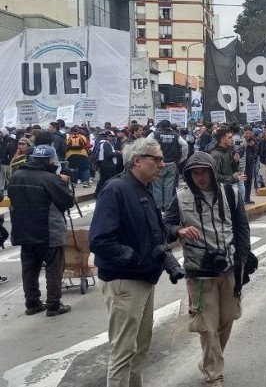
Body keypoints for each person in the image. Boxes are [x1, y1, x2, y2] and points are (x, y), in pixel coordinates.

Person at [89, 137, 184, 386]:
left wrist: (173, 233)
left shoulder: (142, 188)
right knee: (123, 352)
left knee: (140, 347)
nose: (162, 164)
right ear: (137, 160)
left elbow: (152, 229)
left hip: (143, 278)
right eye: (157, 159)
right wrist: (136, 258)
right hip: (125, 281)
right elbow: (100, 240)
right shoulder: (116, 189)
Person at [163, 152, 251, 387]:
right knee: (207, 325)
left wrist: (244, 258)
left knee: (227, 320)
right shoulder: (181, 198)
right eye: (195, 172)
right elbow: (165, 226)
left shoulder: (230, 194)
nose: (200, 177)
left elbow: (242, 226)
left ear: (213, 171)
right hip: (198, 271)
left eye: (204, 171)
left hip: (229, 267)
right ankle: (215, 374)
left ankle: (210, 361)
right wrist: (178, 231)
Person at [8, 145, 75, 316]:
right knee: (54, 266)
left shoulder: (17, 175)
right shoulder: (50, 178)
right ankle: (53, 304)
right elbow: (67, 201)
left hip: (23, 228)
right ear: (51, 160)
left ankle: (32, 302)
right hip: (48, 229)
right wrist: (64, 183)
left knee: (29, 267)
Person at [151, 120, 188, 211]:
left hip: (158, 163)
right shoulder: (176, 135)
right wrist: (182, 158)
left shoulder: (154, 134)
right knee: (169, 186)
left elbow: (146, 143)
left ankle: (158, 208)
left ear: (160, 126)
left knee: (157, 187)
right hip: (172, 163)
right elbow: (185, 145)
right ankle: (167, 207)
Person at [95, 131, 121, 197]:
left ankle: (98, 193)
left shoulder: (102, 143)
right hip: (108, 164)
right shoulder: (106, 144)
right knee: (109, 180)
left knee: (103, 179)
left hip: (103, 164)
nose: (112, 137)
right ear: (106, 136)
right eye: (110, 136)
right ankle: (103, 193)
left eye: (112, 136)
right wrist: (118, 153)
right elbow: (109, 155)